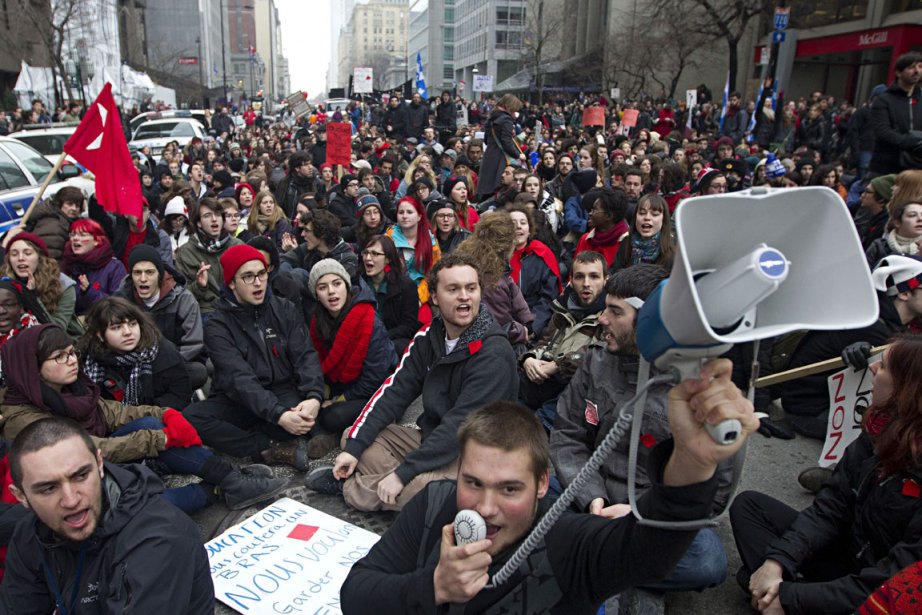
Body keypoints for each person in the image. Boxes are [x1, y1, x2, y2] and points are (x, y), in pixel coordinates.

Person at [340, 365, 757, 613]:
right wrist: (433, 587)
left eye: (509, 489)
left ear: (542, 484)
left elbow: (647, 551)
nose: (485, 508)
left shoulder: (565, 537)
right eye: (472, 483)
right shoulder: (433, 505)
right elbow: (355, 594)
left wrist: (693, 461)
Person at [550, 264, 736, 607]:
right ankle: (628, 566)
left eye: (615, 311)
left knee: (708, 562)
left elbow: (716, 491)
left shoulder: (698, 386)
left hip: (653, 515)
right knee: (529, 500)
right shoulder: (596, 361)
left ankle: (604, 561)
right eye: (605, 306)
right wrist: (592, 497)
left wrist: (641, 516)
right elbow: (567, 435)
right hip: (592, 498)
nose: (601, 319)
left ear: (651, 322)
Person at [306, 252, 518, 512]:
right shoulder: (429, 337)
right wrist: (355, 448)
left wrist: (403, 474)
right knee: (354, 437)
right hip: (431, 441)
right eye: (453, 289)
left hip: (480, 457)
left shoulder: (493, 352)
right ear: (435, 298)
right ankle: (404, 489)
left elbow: (462, 426)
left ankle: (353, 488)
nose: (464, 296)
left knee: (422, 492)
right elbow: (394, 392)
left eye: (471, 288)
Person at [0, 325, 286, 513]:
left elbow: (115, 413)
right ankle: (215, 490)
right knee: (146, 505)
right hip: (77, 484)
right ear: (33, 369)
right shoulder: (21, 417)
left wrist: (165, 415)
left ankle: (230, 478)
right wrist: (158, 440)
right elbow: (87, 450)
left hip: (102, 462)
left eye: (72, 353)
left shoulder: (72, 390)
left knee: (153, 423)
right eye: (59, 357)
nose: (72, 361)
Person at [732, 334, 922, 615]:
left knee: (755, 581)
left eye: (883, 367)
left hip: (883, 593)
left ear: (907, 388)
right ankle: (777, 594)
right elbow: (830, 508)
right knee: (750, 508)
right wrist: (778, 561)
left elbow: (893, 580)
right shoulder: (878, 429)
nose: (871, 368)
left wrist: (790, 596)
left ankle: (778, 597)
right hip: (847, 557)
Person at [2, 418, 215, 613]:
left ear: (100, 464)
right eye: (48, 488)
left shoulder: (160, 539)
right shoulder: (29, 534)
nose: (71, 500)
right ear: (20, 496)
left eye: (81, 476)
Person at [183, 244, 326, 470]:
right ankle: (265, 447)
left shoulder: (283, 308)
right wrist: (278, 415)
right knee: (191, 419)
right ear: (231, 283)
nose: (258, 283)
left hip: (281, 390)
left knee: (305, 417)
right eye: (248, 277)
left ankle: (265, 431)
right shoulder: (217, 325)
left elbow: (305, 356)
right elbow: (239, 379)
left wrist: (314, 396)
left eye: (261, 274)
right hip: (238, 399)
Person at [780, 255, 922, 439]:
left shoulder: (875, 318)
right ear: (904, 293)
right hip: (813, 413)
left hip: (812, 405)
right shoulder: (875, 329)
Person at [307, 259, 398, 459]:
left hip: (377, 389)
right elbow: (316, 363)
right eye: (323, 287)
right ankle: (332, 432)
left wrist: (338, 400)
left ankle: (332, 436)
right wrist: (322, 392)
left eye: (337, 284)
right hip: (343, 385)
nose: (331, 291)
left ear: (346, 286)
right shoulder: (318, 321)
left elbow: (376, 377)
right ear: (316, 294)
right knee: (307, 405)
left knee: (332, 416)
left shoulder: (367, 319)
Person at [519, 250, 606, 431]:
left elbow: (595, 354)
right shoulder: (562, 308)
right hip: (543, 384)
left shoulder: (608, 317)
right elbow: (545, 342)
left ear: (606, 280)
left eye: (594, 276)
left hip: (571, 394)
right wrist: (528, 360)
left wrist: (557, 366)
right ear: (572, 280)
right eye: (580, 277)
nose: (586, 284)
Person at [79, 297, 193, 411]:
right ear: (100, 335)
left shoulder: (162, 351)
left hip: (157, 417)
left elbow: (180, 396)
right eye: (117, 327)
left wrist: (141, 414)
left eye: (132, 324)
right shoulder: (89, 359)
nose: (128, 332)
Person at [114, 244, 205, 378]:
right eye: (137, 272)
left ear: (159, 275)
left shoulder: (183, 299)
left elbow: (192, 344)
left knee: (198, 372)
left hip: (172, 364)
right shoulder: (122, 300)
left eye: (150, 272)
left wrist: (162, 367)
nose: (143, 279)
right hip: (133, 366)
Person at [453, 211, 534, 347]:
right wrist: (522, 331)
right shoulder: (491, 280)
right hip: (491, 346)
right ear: (505, 246)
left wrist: (529, 324)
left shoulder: (491, 266)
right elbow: (499, 324)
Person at [0, 233, 82, 336]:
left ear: (40, 257)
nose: (20, 258)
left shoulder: (63, 285)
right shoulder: (4, 284)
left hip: (57, 344)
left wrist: (32, 297)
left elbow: (56, 330)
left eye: (28, 253)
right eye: (14, 254)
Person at [173, 197, 243, 316]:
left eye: (218, 215)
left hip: (237, 307)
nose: (214, 219)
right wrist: (199, 286)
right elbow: (181, 296)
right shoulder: (186, 253)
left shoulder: (238, 246)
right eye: (207, 216)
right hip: (207, 311)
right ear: (199, 223)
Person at [360, 235, 420, 356]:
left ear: (387, 259)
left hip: (391, 340)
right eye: (365, 253)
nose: (367, 258)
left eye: (374, 254)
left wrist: (380, 336)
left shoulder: (406, 286)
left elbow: (408, 326)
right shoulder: (358, 283)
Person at [508, 204, 562, 339]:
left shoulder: (543, 255)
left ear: (529, 229)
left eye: (523, 223)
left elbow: (548, 298)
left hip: (534, 324)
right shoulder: (494, 257)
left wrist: (533, 327)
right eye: (513, 223)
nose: (518, 226)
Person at [868, 51, 922, 176]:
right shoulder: (884, 100)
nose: (916, 71)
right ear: (898, 72)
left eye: (919, 66)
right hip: (887, 167)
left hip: (916, 168)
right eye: (911, 67)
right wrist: (912, 141)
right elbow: (883, 132)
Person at [60, 219, 128, 316]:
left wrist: (89, 291)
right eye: (73, 234)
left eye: (82, 235)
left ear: (97, 241)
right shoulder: (65, 264)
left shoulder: (114, 267)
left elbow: (119, 305)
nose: (75, 238)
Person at [387, 196, 441, 304]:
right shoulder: (388, 238)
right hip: (394, 294)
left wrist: (419, 297)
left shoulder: (430, 240)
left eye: (410, 212)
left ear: (419, 216)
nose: (405, 216)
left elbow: (434, 273)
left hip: (422, 295)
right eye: (401, 212)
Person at [476, 94, 525, 202]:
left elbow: (486, 139)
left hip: (489, 155)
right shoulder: (507, 120)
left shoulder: (491, 118)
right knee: (500, 186)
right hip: (500, 157)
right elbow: (506, 142)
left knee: (486, 188)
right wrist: (518, 154)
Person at [614, 193, 677, 270]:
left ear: (664, 220)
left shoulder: (674, 248)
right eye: (642, 213)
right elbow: (614, 272)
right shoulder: (626, 243)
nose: (647, 218)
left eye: (654, 214)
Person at [22, 186, 85, 260]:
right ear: (59, 204)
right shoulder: (55, 227)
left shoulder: (64, 222)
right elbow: (49, 258)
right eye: (69, 204)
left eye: (77, 206)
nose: (74, 208)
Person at [574, 188, 631, 268]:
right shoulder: (585, 240)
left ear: (608, 216)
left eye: (595, 210)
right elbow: (574, 274)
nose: (590, 213)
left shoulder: (626, 244)